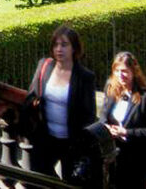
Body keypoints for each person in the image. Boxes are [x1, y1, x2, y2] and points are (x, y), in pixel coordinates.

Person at [24, 25, 97, 179]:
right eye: (56, 45)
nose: (59, 49)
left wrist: (81, 144)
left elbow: (89, 115)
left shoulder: (85, 77)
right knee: (39, 179)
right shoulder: (45, 66)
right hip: (46, 138)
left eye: (64, 45)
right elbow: (31, 95)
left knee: (71, 182)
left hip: (71, 142)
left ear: (74, 48)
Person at [100, 52, 146, 189]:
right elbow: (104, 116)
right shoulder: (111, 88)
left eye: (124, 71)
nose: (120, 75)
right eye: (117, 71)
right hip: (116, 156)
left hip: (138, 159)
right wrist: (107, 128)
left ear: (134, 71)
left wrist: (126, 132)